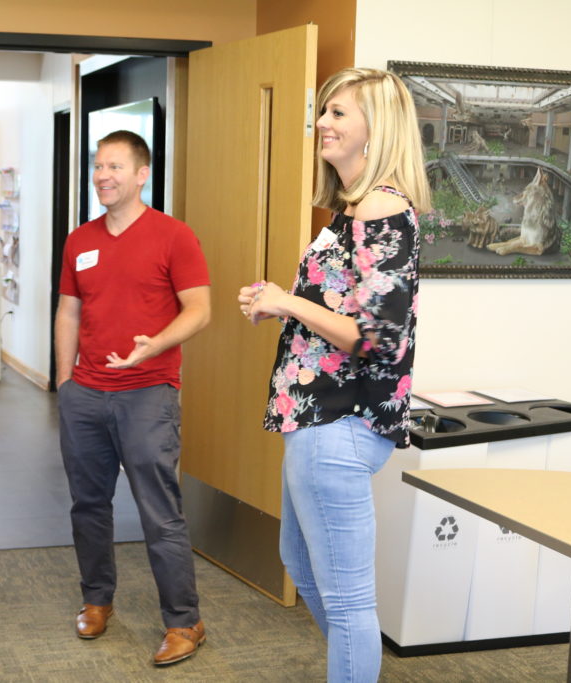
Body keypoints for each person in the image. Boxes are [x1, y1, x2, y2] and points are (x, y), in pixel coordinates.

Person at [239, 68, 431, 682]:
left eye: (339, 113)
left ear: (377, 129)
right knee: (297, 557)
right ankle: (353, 666)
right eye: (324, 112)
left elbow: (381, 338)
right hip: (318, 421)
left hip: (338, 425)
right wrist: (283, 302)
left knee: (348, 601)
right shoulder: (352, 210)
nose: (322, 123)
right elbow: (346, 310)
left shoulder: (381, 210)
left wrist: (287, 302)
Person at [55, 130, 211, 666]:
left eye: (115, 166)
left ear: (142, 175)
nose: (103, 175)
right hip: (86, 395)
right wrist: (63, 382)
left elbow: (199, 310)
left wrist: (153, 348)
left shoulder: (174, 237)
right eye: (98, 166)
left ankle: (184, 622)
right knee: (88, 505)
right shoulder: (80, 240)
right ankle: (96, 600)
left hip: (148, 394)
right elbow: (68, 313)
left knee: (158, 511)